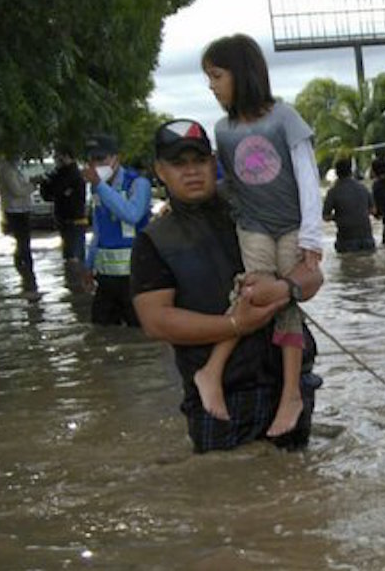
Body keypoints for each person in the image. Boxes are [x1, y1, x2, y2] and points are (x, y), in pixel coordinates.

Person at [131, 118, 323, 452]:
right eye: (179, 163)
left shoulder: (254, 212)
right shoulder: (154, 241)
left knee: (299, 491)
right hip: (222, 398)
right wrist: (235, 324)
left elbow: (313, 276)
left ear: (214, 162)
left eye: (199, 160)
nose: (192, 171)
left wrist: (284, 289)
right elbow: (155, 321)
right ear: (160, 171)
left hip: (289, 385)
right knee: (223, 494)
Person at [199, 33, 323, 438]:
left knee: (285, 302)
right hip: (251, 225)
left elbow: (307, 176)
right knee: (252, 293)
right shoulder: (224, 129)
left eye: (217, 76)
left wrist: (311, 236)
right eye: (209, 79)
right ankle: (212, 371)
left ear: (243, 74)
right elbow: (231, 183)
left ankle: (291, 394)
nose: (213, 86)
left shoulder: (284, 118)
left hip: (290, 226)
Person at [83, 134, 152, 324]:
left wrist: (100, 186)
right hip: (106, 279)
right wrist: (88, 265)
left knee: (138, 334)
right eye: (90, 160)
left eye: (100, 159)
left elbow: (132, 214)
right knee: (101, 332)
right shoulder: (97, 189)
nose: (94, 165)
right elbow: (98, 231)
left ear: (116, 158)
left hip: (136, 276)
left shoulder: (138, 184)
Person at [41, 149, 89, 287]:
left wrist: (48, 183)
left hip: (74, 221)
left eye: (59, 157)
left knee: (73, 259)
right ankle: (77, 292)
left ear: (67, 157)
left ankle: (79, 291)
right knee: (71, 256)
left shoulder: (72, 174)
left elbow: (55, 191)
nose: (57, 160)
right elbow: (49, 195)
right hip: (66, 220)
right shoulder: (61, 173)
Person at [0, 156, 37, 293]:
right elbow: (17, 191)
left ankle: (25, 268)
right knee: (23, 240)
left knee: (24, 240)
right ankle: (25, 268)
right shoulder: (7, 169)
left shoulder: (14, 168)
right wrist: (32, 186)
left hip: (21, 209)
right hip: (16, 210)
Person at [322, 157, 376, 253]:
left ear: (337, 173)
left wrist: (338, 216)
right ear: (351, 171)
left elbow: (325, 217)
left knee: (348, 266)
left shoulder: (333, 192)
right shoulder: (363, 188)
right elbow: (373, 211)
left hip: (346, 240)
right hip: (367, 238)